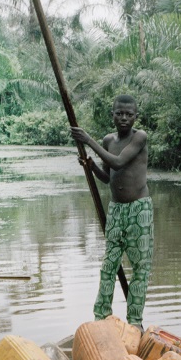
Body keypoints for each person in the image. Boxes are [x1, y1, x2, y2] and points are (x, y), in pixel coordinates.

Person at [71, 95, 152, 329]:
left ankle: (135, 323)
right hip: (116, 210)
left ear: (136, 116)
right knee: (109, 265)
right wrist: (92, 165)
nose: (124, 118)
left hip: (139, 210)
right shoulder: (108, 140)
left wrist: (87, 140)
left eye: (129, 114)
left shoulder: (140, 137)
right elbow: (109, 176)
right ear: (112, 115)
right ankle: (102, 317)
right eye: (119, 113)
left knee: (140, 268)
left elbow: (118, 162)